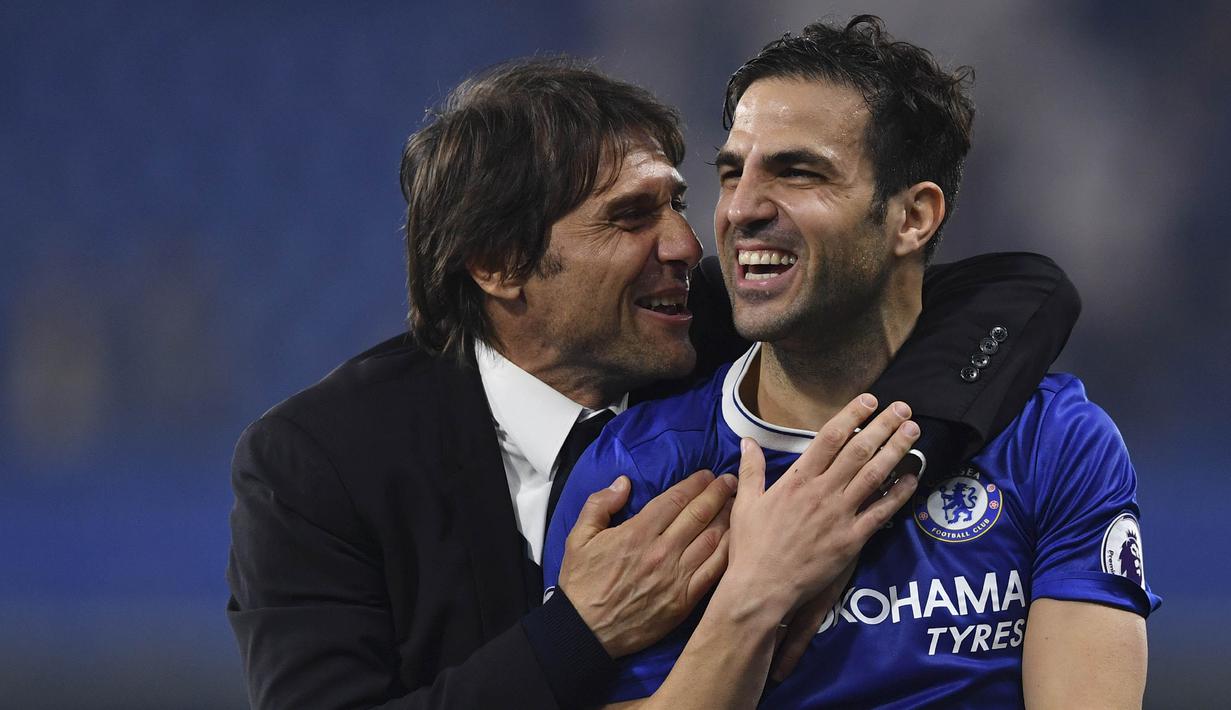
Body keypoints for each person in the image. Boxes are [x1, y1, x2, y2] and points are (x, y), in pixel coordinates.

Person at [227, 57, 1081, 709]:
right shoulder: (322, 461)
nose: (685, 245)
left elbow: (1019, 293)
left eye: (675, 202)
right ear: (499, 264)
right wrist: (578, 630)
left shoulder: (707, 329)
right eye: (632, 217)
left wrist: (874, 480)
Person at [544, 16, 1159, 709]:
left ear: (912, 218)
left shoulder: (1053, 442)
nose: (740, 209)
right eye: (732, 173)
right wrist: (755, 597)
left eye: (798, 173)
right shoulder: (635, 469)